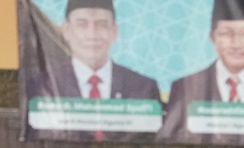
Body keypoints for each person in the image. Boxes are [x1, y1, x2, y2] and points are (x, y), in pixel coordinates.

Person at [158, 0, 244, 147]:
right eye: (226, 34)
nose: (236, 44)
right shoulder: (185, 88)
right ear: (213, 38)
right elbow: (166, 146)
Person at [25, 0, 162, 105]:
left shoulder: (143, 88)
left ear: (114, 32)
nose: (92, 35)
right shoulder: (44, 86)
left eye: (102, 25)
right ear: (66, 31)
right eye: (82, 25)